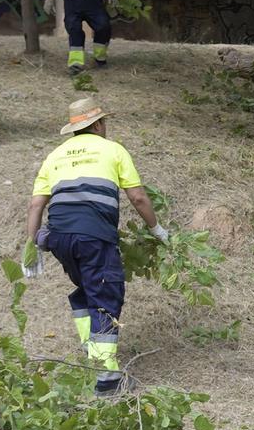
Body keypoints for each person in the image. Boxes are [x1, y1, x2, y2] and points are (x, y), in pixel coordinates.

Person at [28, 97, 170, 396]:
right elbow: (139, 198)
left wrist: (33, 246)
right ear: (98, 124)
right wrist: (156, 229)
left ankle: (92, 356)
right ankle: (107, 378)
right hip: (93, 235)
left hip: (60, 238)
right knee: (106, 295)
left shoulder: (55, 155)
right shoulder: (113, 149)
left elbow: (36, 204)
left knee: (88, 290)